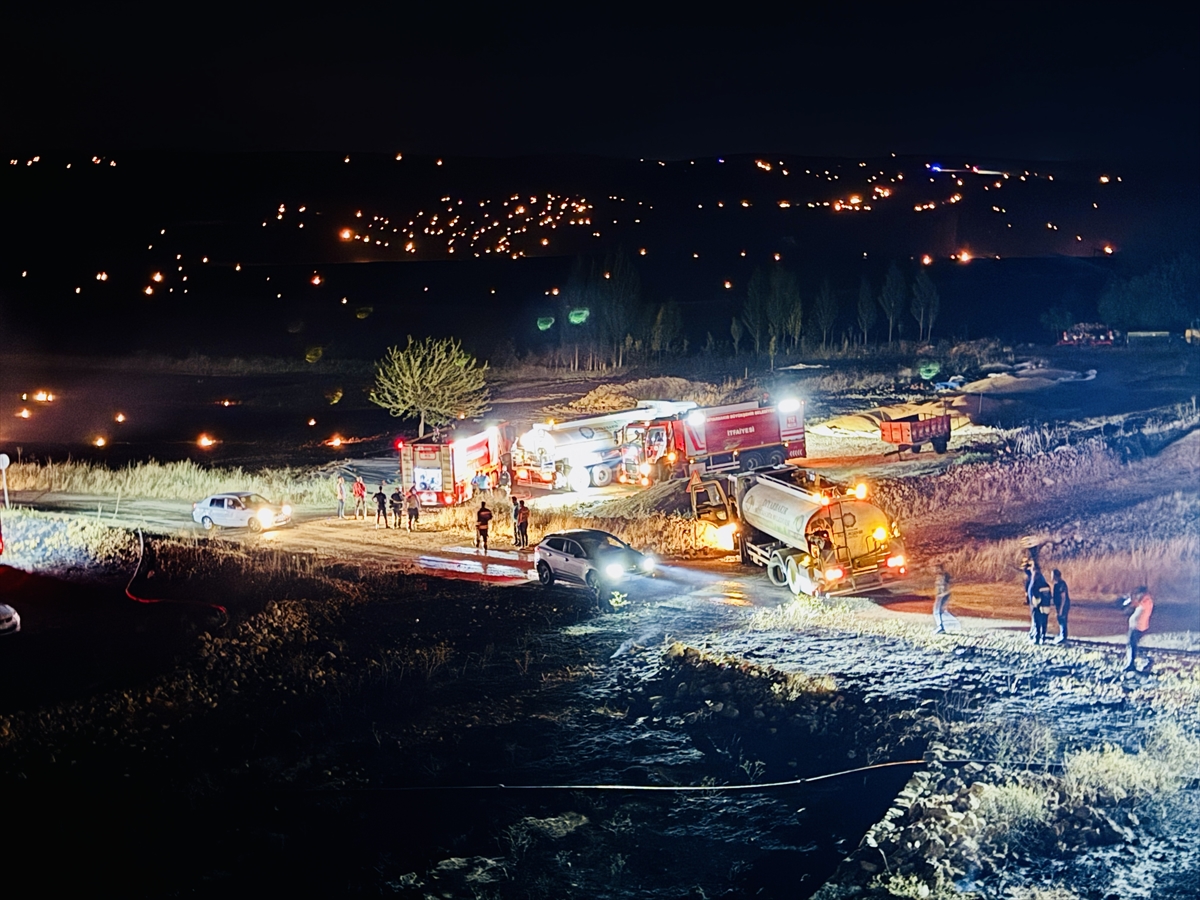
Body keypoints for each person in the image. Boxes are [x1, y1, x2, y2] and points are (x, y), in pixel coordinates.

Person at [1122, 586, 1154, 672]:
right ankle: (1133, 663)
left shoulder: (1146, 600)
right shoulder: (1145, 601)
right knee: (1133, 646)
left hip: (1138, 627)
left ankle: (1139, 662)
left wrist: (1130, 598)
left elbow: (1134, 603)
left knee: (1132, 646)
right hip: (1136, 626)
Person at [1051, 569, 1071, 644]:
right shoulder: (1057, 584)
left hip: (1063, 605)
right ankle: (1062, 634)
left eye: (1052, 575)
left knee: (1062, 619)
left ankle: (1063, 636)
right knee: (1060, 619)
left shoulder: (1061, 584)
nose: (1051, 577)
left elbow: (1063, 597)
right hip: (1059, 605)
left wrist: (1061, 609)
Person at [932, 564, 951, 634]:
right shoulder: (943, 576)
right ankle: (941, 626)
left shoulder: (941, 576)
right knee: (938, 610)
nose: (934, 570)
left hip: (942, 594)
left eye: (936, 568)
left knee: (936, 611)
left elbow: (942, 586)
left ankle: (940, 626)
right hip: (944, 594)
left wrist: (940, 595)